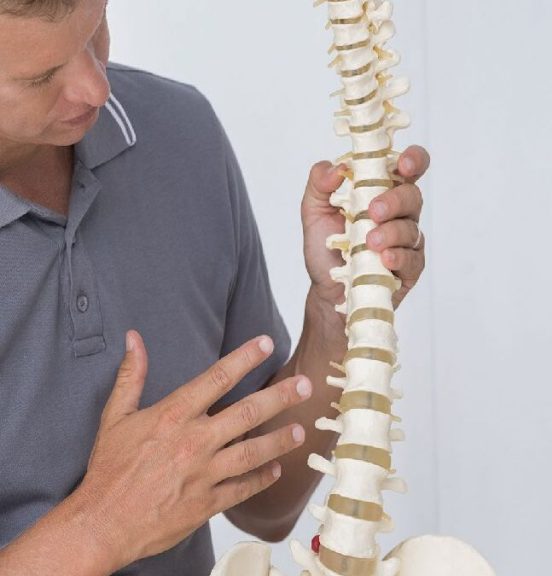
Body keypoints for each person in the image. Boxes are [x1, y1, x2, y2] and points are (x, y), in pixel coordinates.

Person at [0, 0, 429, 574]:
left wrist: (337, 315)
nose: (97, 88)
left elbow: (263, 504)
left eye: (95, 27)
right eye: (41, 76)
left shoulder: (180, 131)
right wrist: (101, 526)